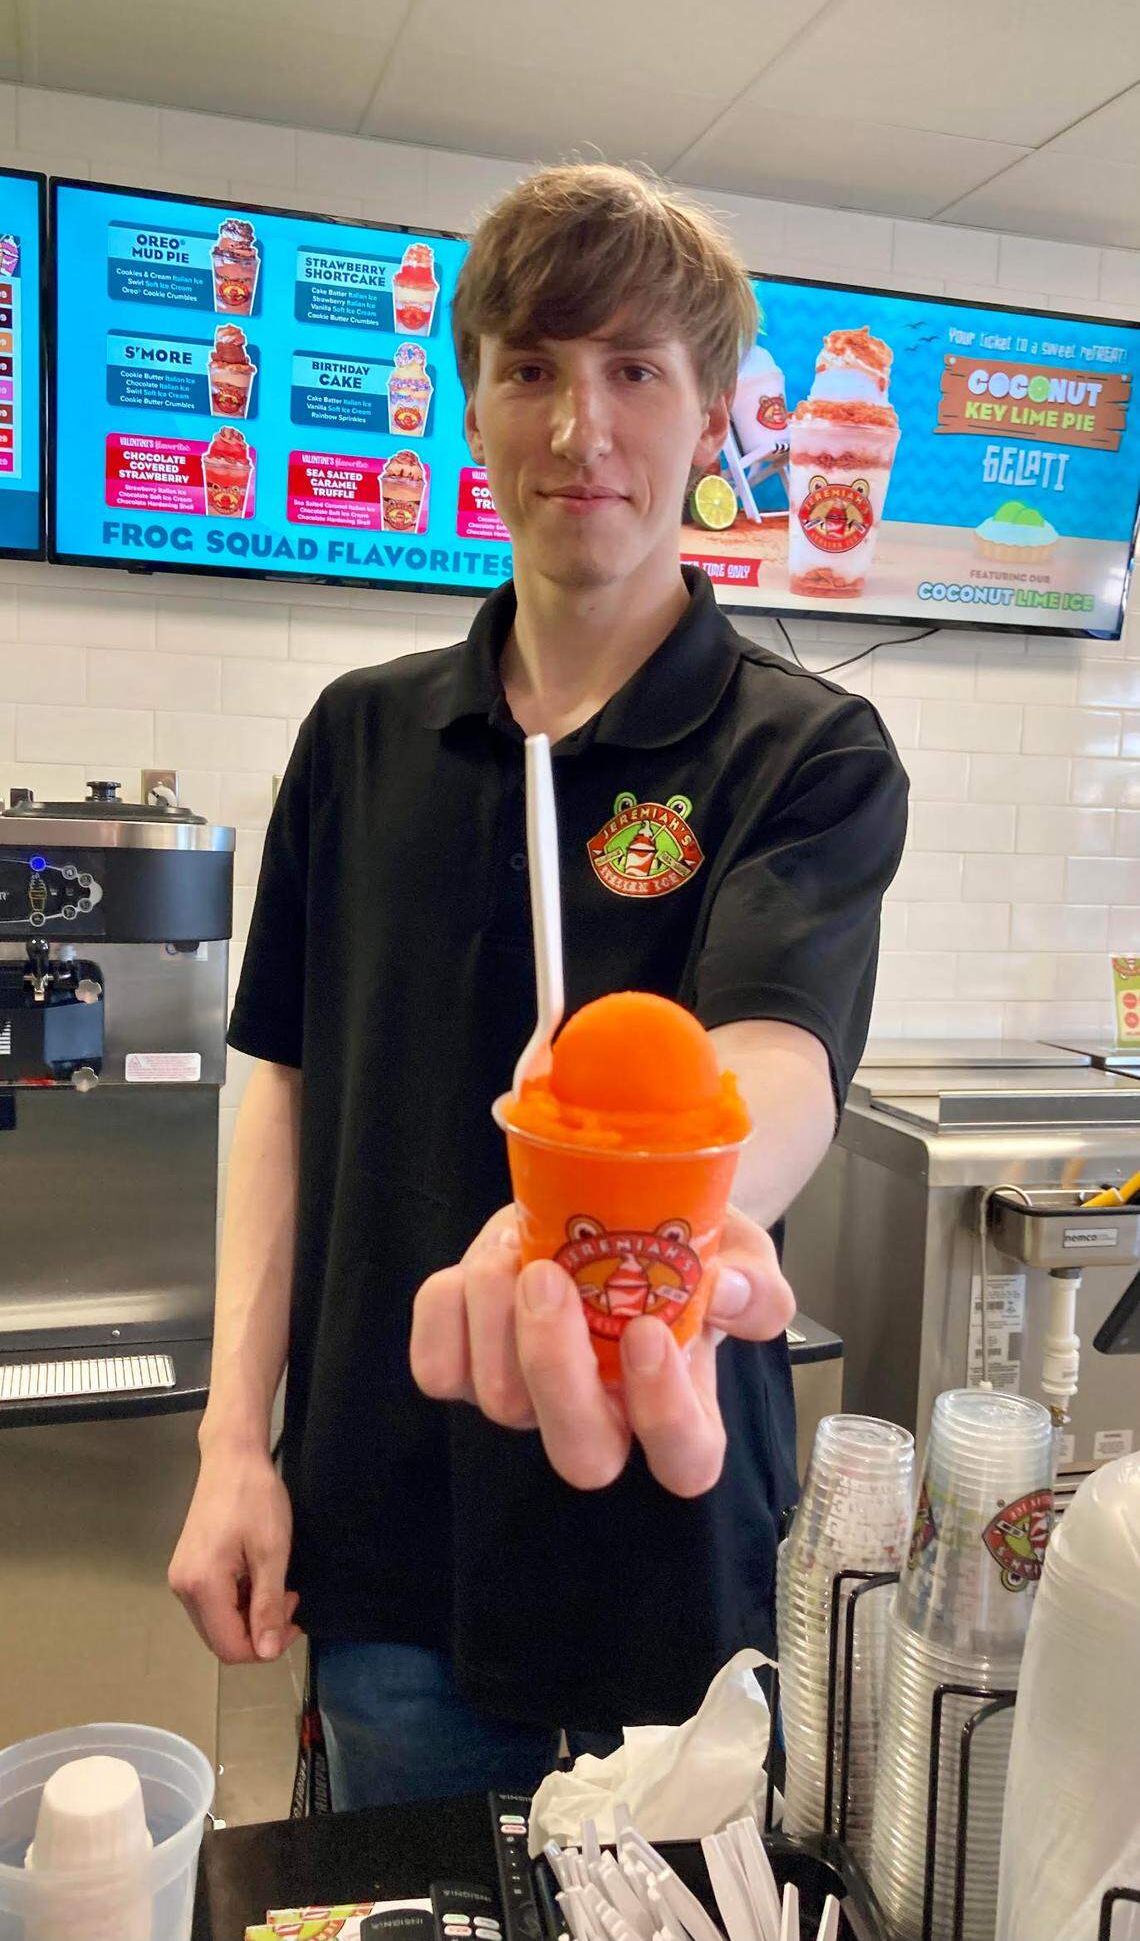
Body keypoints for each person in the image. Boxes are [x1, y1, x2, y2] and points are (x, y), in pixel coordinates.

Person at [169, 163, 909, 1812]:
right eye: (533, 368)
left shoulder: (805, 752)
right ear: (473, 411)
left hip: (668, 1539)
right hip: (390, 1535)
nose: (583, 430)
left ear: (714, 419)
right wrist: (235, 1440)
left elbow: (776, 1060)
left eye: (638, 370)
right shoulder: (360, 739)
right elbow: (278, 1084)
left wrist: (693, 1205)